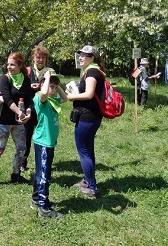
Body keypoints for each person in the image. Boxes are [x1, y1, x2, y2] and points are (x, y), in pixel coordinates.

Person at [0, 53, 33, 191]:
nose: (9, 67)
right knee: (0, 148)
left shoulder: (25, 80)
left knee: (22, 148)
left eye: (12, 64)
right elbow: (7, 99)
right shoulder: (4, 79)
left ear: (20, 65)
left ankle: (16, 174)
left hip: (19, 122)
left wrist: (29, 113)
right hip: (3, 121)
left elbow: (29, 99)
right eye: (8, 64)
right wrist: (20, 112)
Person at [65, 45, 105, 198]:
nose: (81, 57)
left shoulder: (92, 72)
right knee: (88, 150)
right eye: (80, 54)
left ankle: (92, 188)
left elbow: (88, 95)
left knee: (84, 152)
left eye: (85, 55)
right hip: (92, 116)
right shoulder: (92, 71)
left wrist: (70, 97)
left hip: (88, 117)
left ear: (93, 57)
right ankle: (88, 181)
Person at [30, 67, 67, 218]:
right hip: (43, 143)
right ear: (41, 85)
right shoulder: (41, 98)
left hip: (49, 142)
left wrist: (57, 86)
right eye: (51, 86)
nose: (53, 89)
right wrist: (47, 75)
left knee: (41, 172)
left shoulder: (52, 100)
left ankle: (36, 199)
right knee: (44, 175)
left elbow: (65, 98)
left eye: (55, 86)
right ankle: (44, 209)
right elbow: (44, 92)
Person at [22, 45, 49, 173]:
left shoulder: (48, 72)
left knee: (43, 137)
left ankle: (42, 162)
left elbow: (52, 90)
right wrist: (29, 86)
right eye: (38, 57)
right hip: (28, 109)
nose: (40, 60)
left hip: (42, 110)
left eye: (43, 57)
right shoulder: (26, 71)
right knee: (26, 138)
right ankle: (22, 163)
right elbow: (20, 89)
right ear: (33, 58)